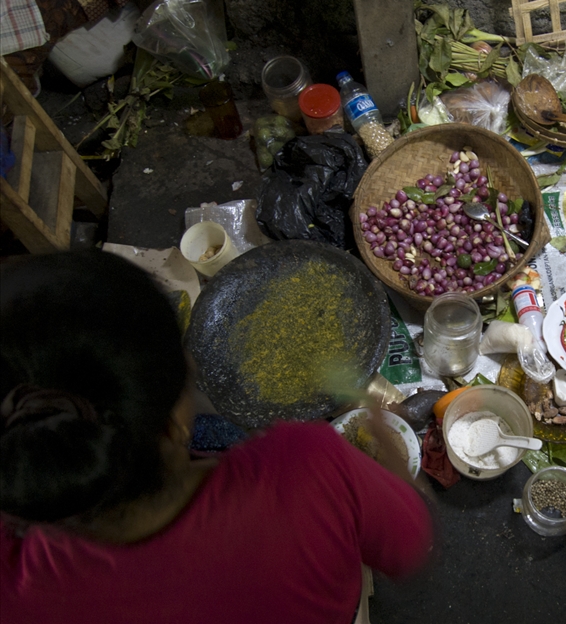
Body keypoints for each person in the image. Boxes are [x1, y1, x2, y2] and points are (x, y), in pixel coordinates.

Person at [0, 251, 433, 624]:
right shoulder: (306, 467)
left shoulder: (15, 579)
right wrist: (387, 448)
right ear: (172, 426)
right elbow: (409, 542)